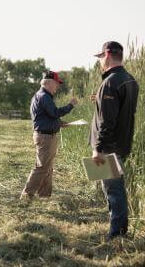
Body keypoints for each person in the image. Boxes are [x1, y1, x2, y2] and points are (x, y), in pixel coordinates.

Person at [90, 41, 138, 239]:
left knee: (113, 189)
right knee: (114, 187)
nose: (100, 61)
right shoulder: (130, 80)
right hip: (121, 144)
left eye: (101, 57)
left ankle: (117, 233)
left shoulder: (110, 82)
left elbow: (107, 121)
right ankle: (118, 229)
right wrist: (100, 100)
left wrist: (99, 148)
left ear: (108, 55)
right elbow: (122, 111)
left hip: (109, 147)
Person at [21, 71, 77, 199]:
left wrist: (59, 124)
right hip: (45, 137)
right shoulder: (44, 97)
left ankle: (44, 195)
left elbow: (46, 116)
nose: (57, 87)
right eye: (57, 84)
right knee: (42, 167)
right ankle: (27, 194)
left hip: (45, 135)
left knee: (47, 167)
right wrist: (70, 105)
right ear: (49, 83)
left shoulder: (41, 96)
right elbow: (54, 112)